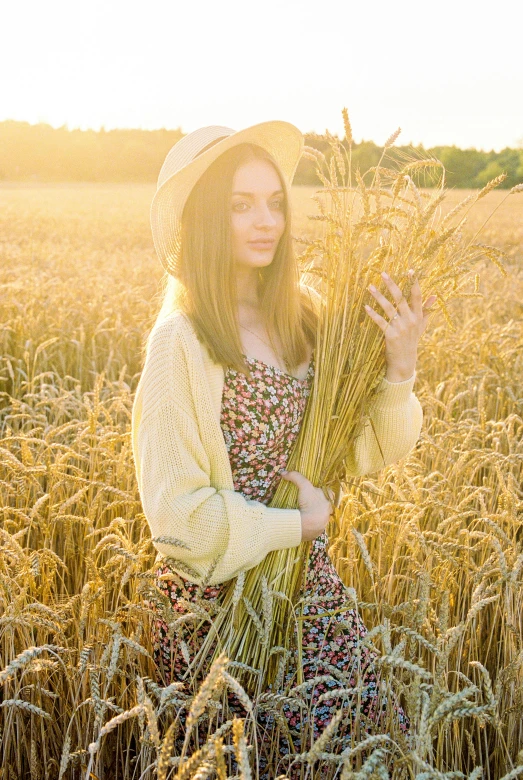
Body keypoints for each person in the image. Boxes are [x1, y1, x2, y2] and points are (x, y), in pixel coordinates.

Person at [131, 122, 436, 776]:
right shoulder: (179, 343)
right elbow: (176, 520)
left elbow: (361, 451)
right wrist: (289, 525)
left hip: (308, 587)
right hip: (216, 616)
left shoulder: (305, 317)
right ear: (206, 220)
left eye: (273, 202)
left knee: (366, 747)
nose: (264, 220)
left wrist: (399, 367)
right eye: (240, 205)